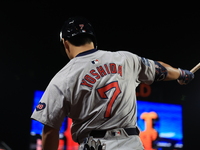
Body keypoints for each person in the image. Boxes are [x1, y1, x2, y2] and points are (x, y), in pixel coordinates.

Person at [31, 16, 194, 150]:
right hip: (131, 144)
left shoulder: (62, 78)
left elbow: (50, 131)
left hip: (94, 145)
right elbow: (160, 69)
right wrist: (181, 73)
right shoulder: (125, 59)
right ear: (93, 41)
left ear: (65, 44)